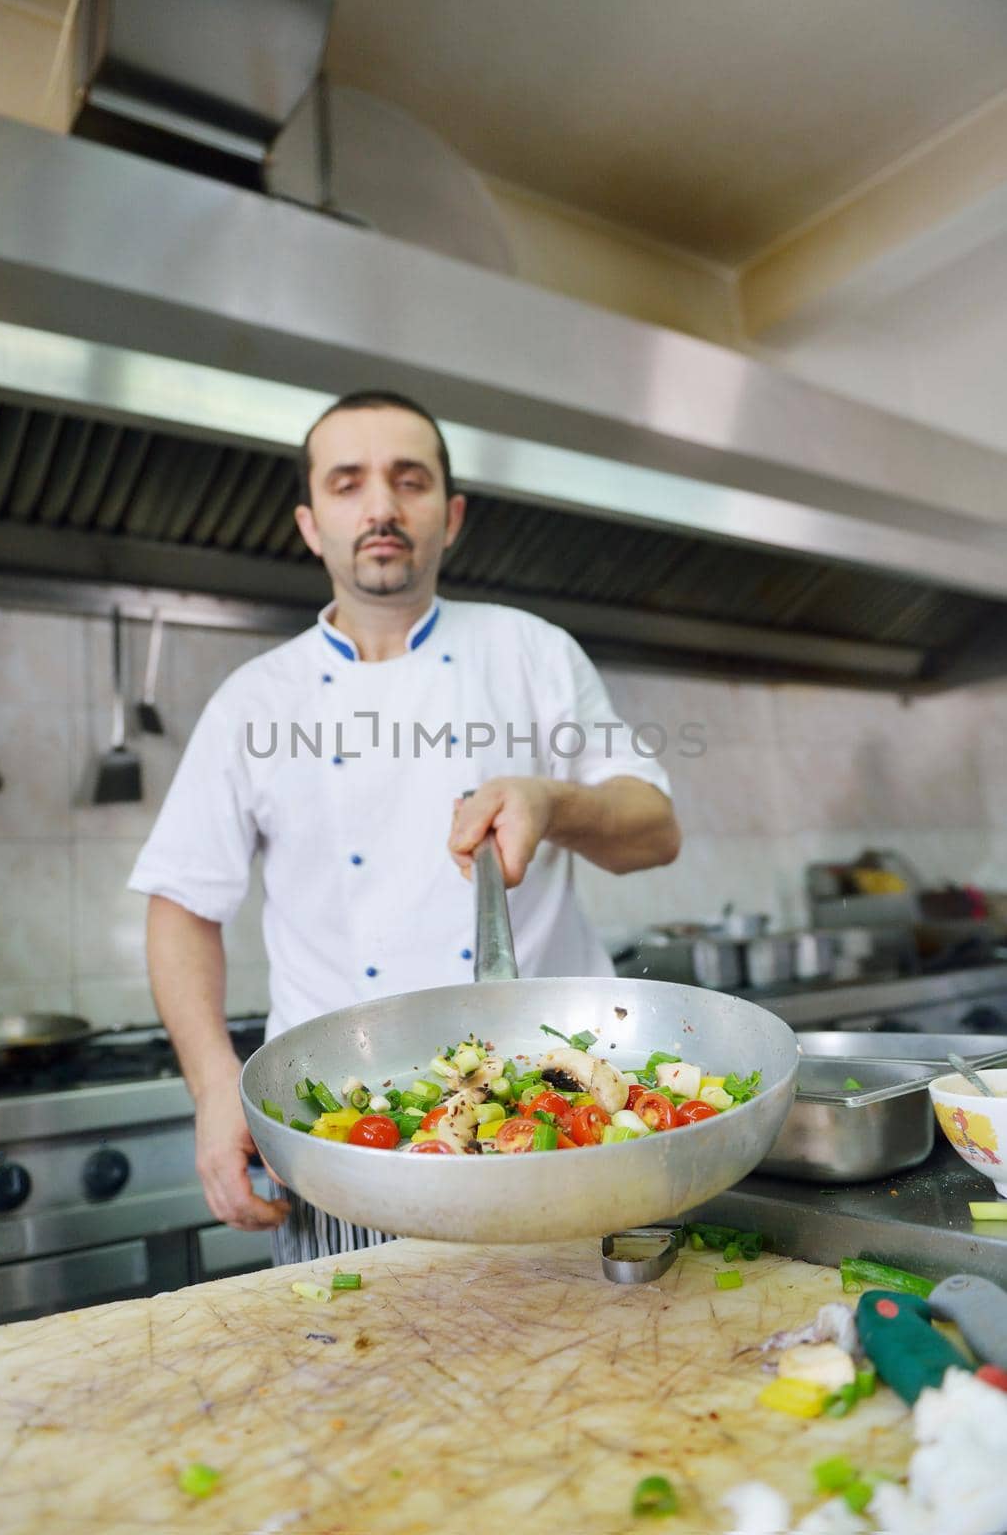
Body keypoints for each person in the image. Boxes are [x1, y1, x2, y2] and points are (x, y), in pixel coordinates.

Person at [129, 390, 681, 1263]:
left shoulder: (531, 651)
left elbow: (655, 828)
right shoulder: (255, 701)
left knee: (592, 1373)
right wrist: (212, 1089)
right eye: (349, 484)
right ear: (311, 524)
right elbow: (180, 907)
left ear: (451, 516)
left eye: (409, 480)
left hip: (561, 1120)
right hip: (349, 1136)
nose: (381, 507)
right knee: (354, 1374)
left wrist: (555, 802)